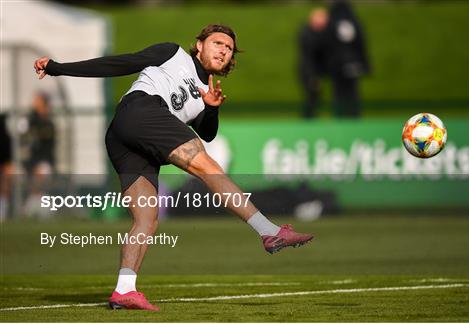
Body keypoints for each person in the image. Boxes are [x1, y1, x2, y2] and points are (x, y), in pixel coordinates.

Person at [34, 24, 314, 311]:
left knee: (147, 219)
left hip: (125, 137)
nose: (224, 51)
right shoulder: (172, 53)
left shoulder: (207, 90)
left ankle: (124, 290)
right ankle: (268, 231)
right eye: (218, 43)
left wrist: (212, 107)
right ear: (199, 44)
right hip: (140, 111)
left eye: (229, 49)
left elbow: (207, 132)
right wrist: (58, 68)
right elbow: (123, 63)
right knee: (208, 166)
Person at [325, 0, 371, 117]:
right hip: (353, 63)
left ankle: (339, 116)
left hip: (337, 65)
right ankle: (354, 115)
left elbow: (327, 44)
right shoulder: (354, 22)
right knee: (352, 91)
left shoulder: (332, 22)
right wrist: (365, 64)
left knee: (338, 92)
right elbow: (361, 44)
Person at [23, 92, 56, 218]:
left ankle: (34, 207)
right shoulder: (31, 120)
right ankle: (32, 206)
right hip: (31, 161)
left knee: (40, 172)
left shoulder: (48, 123)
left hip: (44, 161)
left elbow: (46, 150)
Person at [298, 8, 329, 119]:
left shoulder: (320, 33)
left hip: (314, 71)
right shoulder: (307, 34)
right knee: (311, 96)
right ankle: (308, 119)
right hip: (309, 71)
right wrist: (312, 76)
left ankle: (311, 118)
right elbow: (308, 57)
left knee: (315, 96)